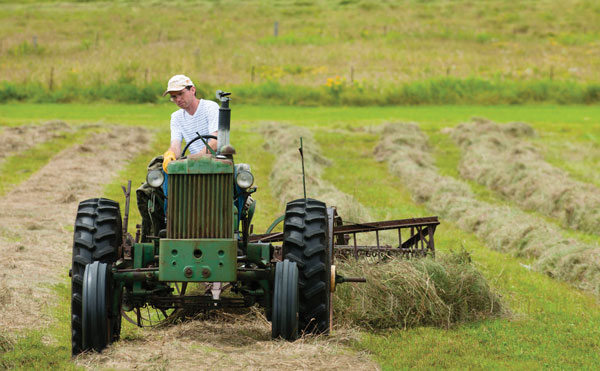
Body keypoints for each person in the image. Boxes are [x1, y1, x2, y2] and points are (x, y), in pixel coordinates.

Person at [136, 74, 220, 241]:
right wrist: (170, 155)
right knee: (167, 171)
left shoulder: (210, 107)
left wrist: (197, 157)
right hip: (190, 162)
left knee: (238, 185)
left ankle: (226, 225)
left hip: (214, 162)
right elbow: (176, 145)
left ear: (192, 90)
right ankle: (170, 221)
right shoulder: (176, 117)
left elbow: (215, 140)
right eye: (174, 97)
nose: (177, 99)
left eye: (180, 94)